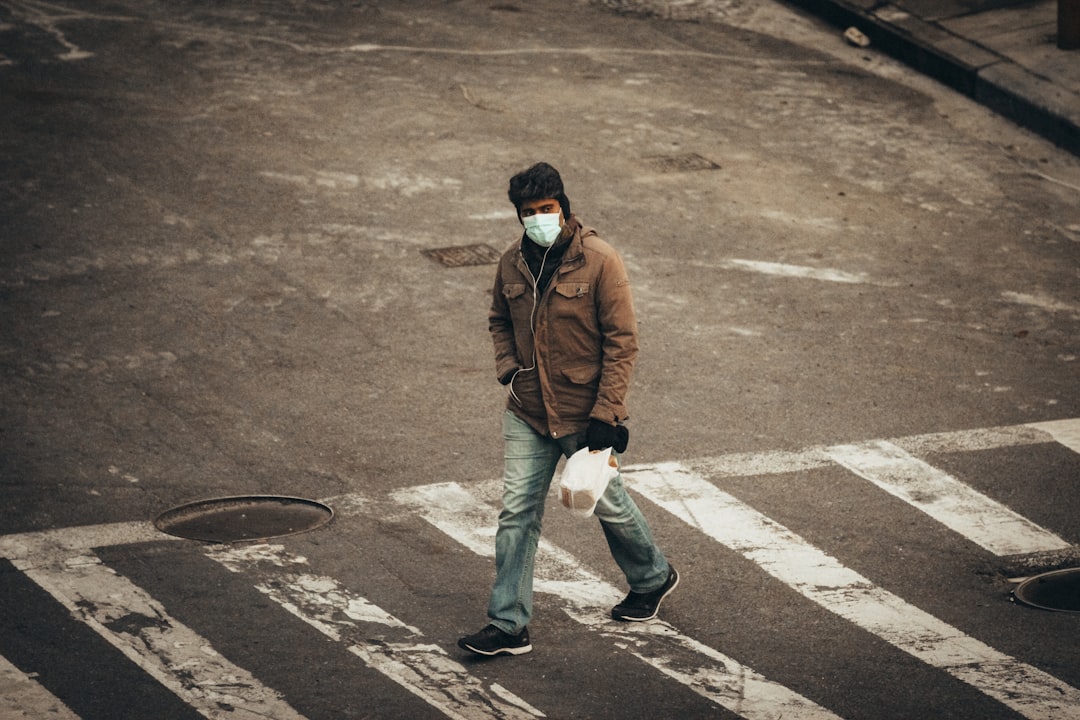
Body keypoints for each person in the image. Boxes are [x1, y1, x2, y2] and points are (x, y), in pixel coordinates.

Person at [458, 162, 678, 657]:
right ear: (518, 216)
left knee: (605, 503)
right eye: (529, 212)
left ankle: (653, 576)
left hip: (583, 414)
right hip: (528, 410)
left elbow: (623, 342)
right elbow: (498, 319)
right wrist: (509, 369)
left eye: (547, 209)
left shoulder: (600, 261)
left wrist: (608, 413)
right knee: (517, 513)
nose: (538, 218)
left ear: (564, 207)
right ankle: (509, 623)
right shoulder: (511, 263)